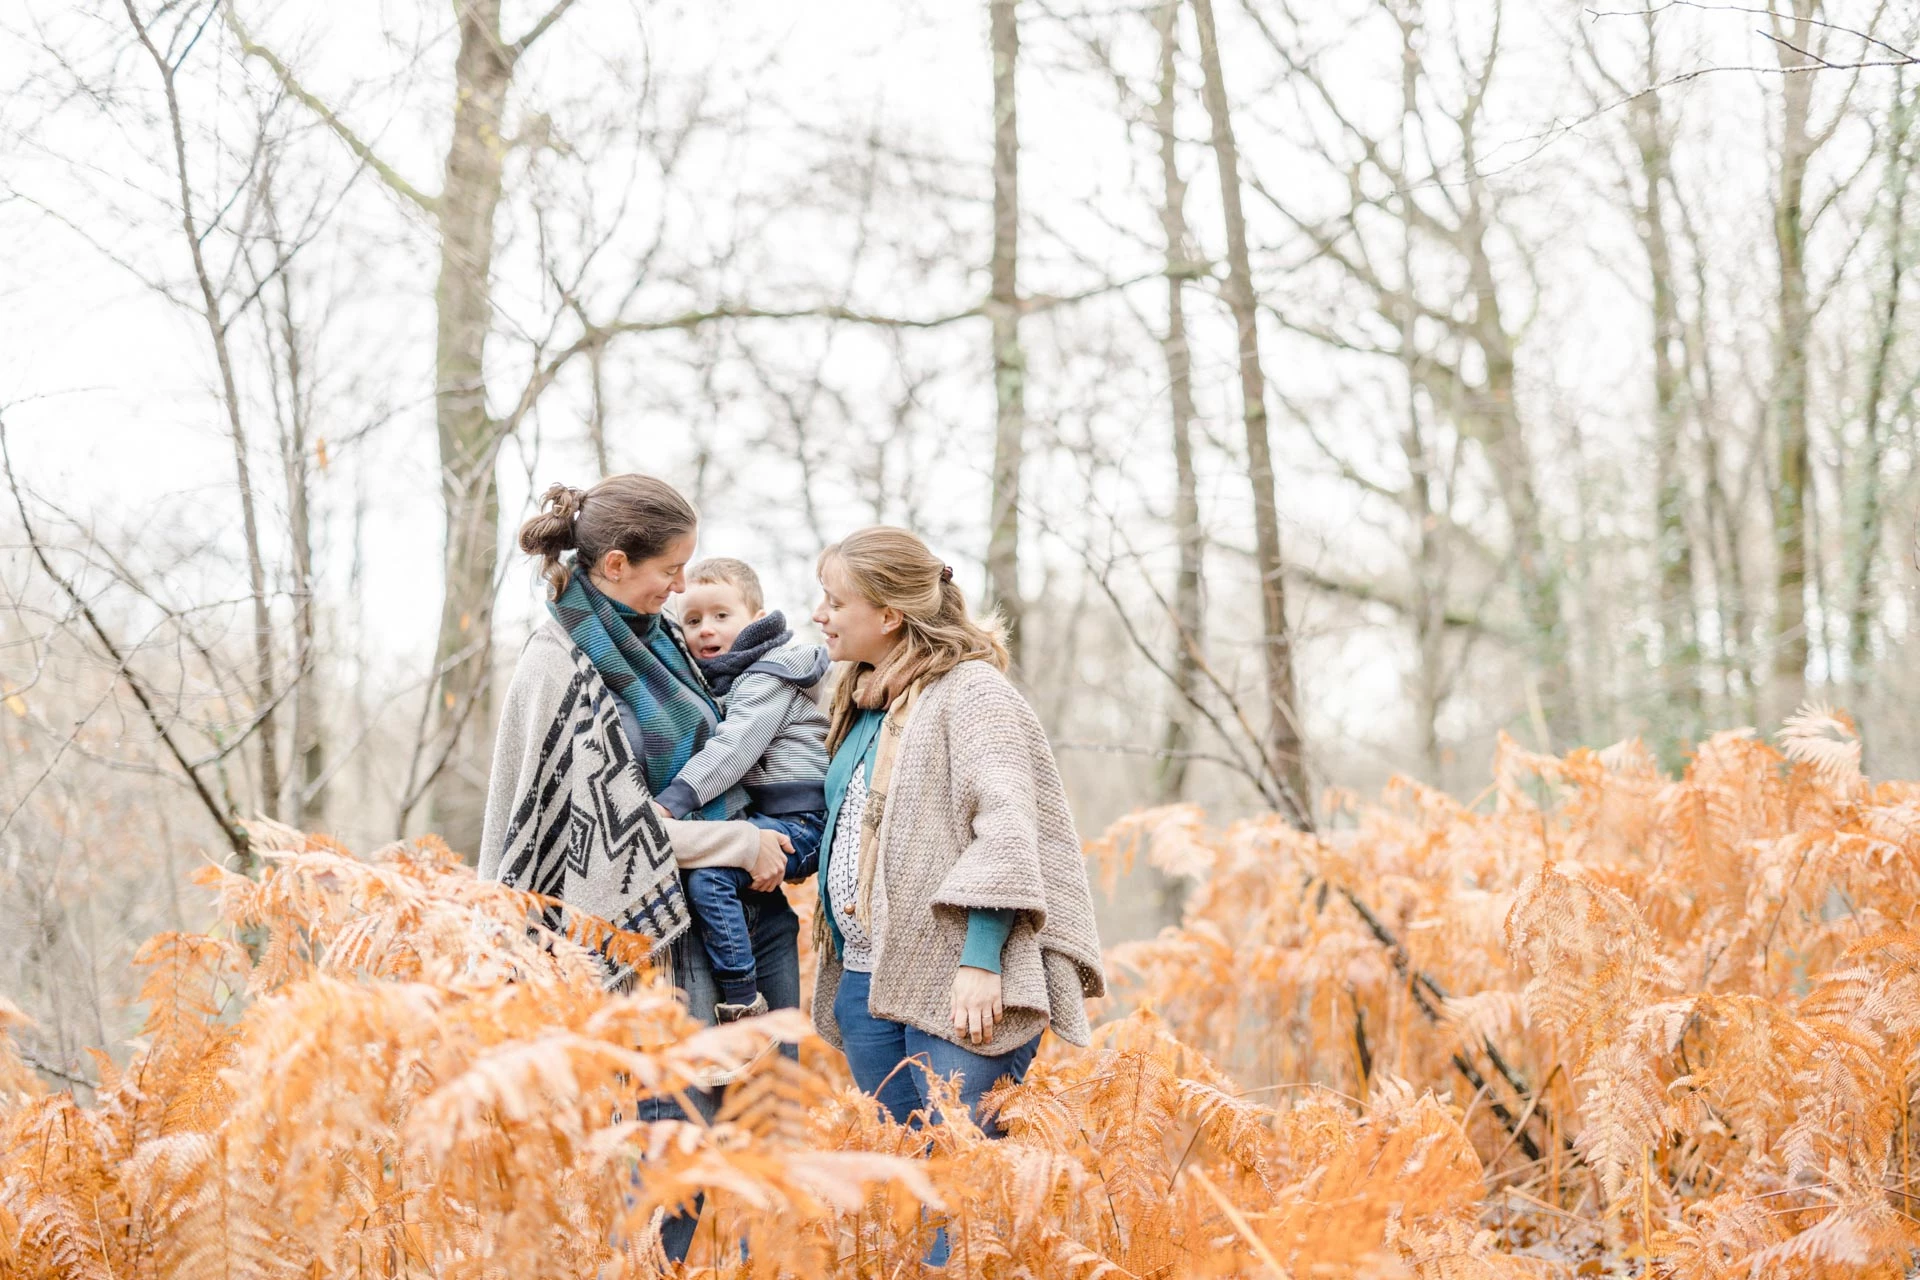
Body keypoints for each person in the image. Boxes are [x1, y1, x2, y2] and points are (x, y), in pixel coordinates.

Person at [477, 474, 799, 1262]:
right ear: (615, 564)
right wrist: (742, 844)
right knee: (665, 1170)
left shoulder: (660, 641)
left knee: (743, 1153)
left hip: (721, 928)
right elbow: (610, 829)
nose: (682, 586)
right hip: (639, 949)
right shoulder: (559, 664)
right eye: (670, 570)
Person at [810, 526, 1105, 1262]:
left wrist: (982, 959)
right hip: (868, 979)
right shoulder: (863, 701)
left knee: (966, 1193)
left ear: (888, 614)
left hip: (961, 986)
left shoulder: (971, 694)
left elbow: (1008, 832)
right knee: (910, 1192)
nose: (819, 614)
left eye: (834, 600)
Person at [656, 556, 830, 1022]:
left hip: (802, 819)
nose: (705, 630)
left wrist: (672, 803)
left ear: (756, 621)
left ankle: (741, 999)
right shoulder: (733, 678)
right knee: (717, 870)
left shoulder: (768, 677)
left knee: (710, 877)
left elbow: (734, 749)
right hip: (773, 816)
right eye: (692, 620)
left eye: (720, 616)